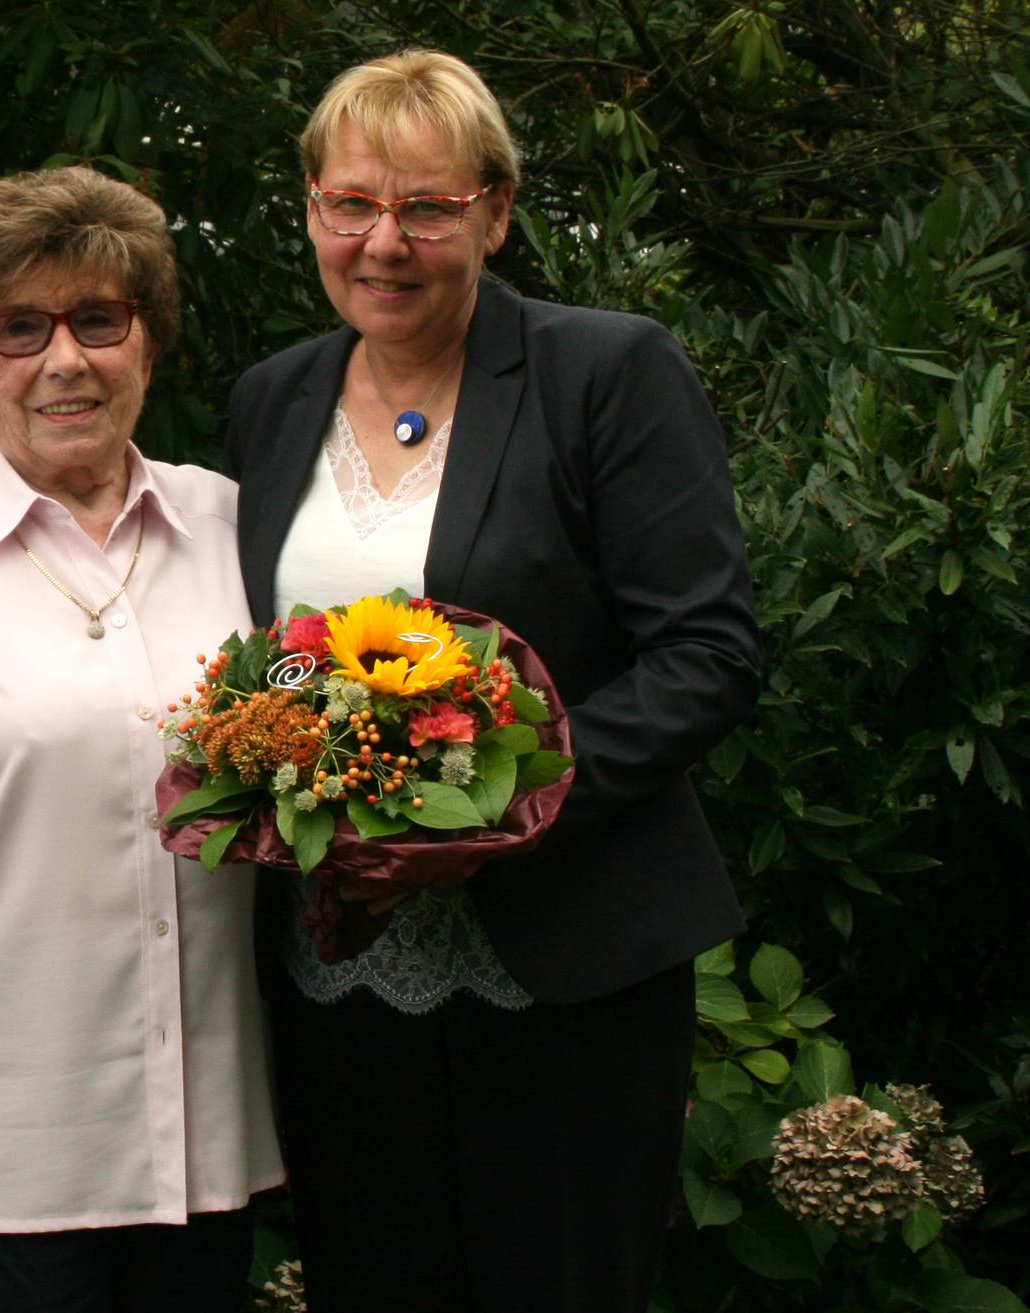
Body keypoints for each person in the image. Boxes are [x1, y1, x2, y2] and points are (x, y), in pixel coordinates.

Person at [225, 50, 761, 1312]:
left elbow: (707, 652)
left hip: (567, 962)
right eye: (351, 203)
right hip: (338, 969)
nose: (384, 243)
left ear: (497, 212)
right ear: (310, 206)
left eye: (429, 207)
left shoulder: (605, 374)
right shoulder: (272, 401)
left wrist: (495, 817)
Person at [0, 166, 284, 1313]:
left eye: (99, 320)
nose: (64, 360)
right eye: (19, 327)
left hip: (207, 1134)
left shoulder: (232, 529)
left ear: (149, 342)